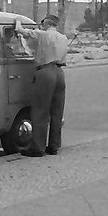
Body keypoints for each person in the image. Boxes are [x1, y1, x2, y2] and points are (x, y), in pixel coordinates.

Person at [13, 14, 69, 156]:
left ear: (46, 23)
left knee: (40, 110)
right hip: (59, 72)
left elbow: (20, 30)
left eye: (42, 22)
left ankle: (38, 148)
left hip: (45, 72)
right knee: (57, 111)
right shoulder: (63, 38)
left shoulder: (42, 35)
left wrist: (17, 21)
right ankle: (54, 146)